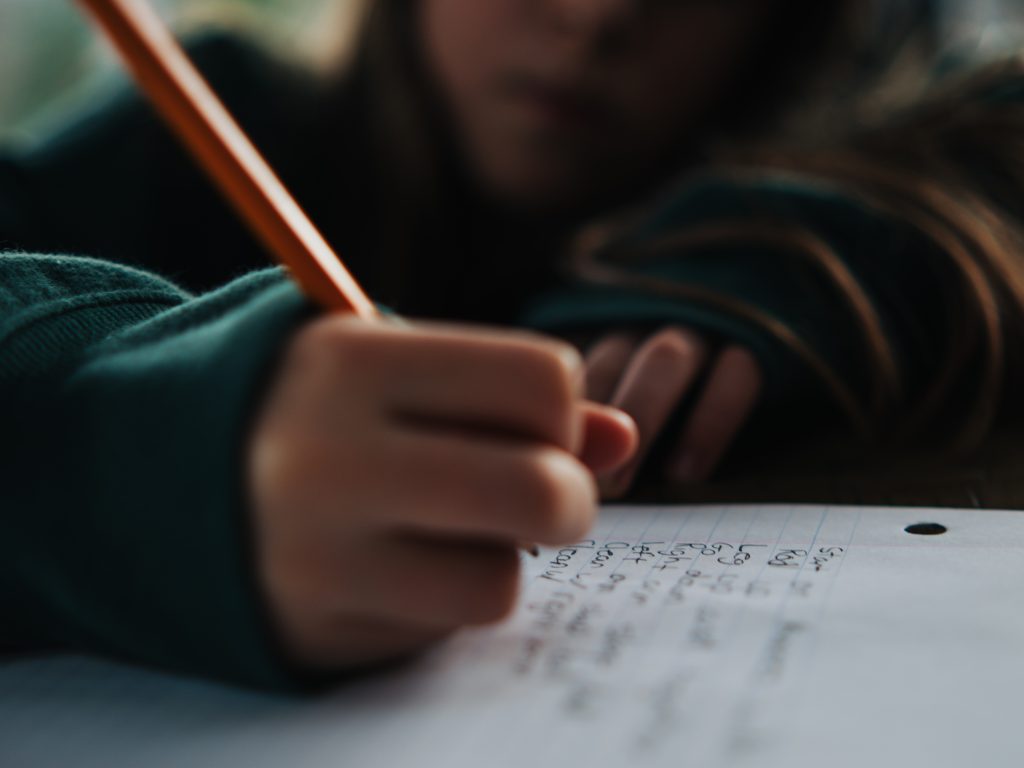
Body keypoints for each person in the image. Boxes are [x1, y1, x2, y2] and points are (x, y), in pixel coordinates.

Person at [2, 0, 1021, 689]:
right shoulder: (207, 129)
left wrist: (822, 246)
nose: (599, 17)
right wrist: (137, 449)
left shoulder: (817, 193)